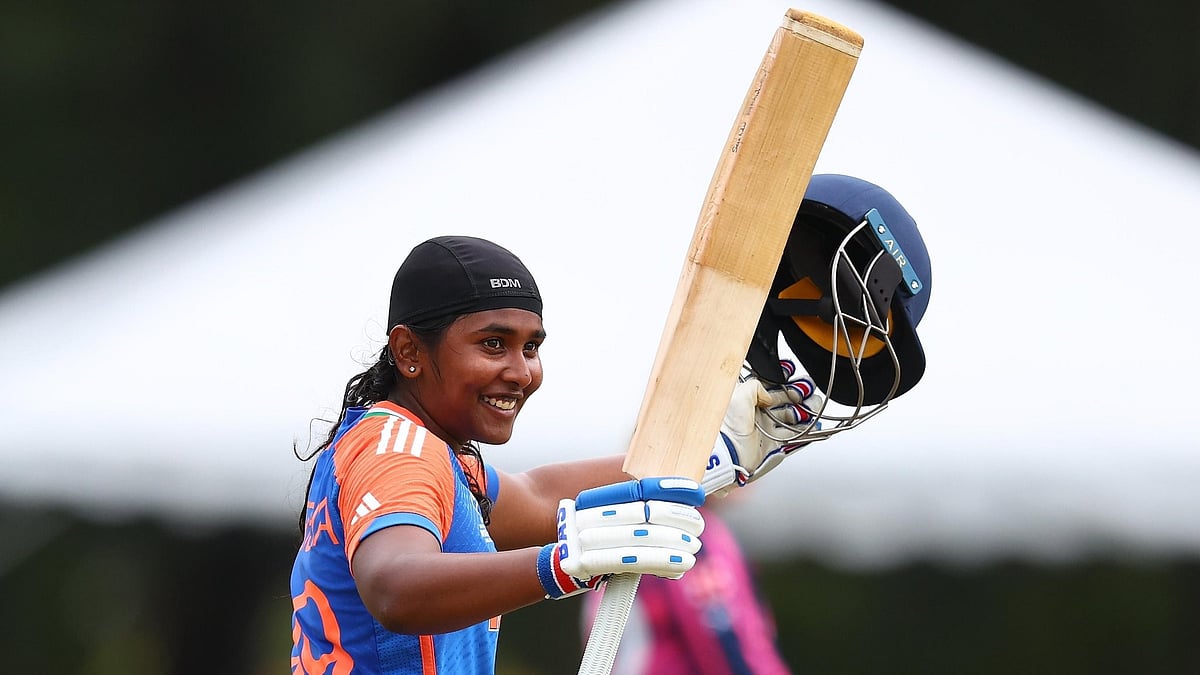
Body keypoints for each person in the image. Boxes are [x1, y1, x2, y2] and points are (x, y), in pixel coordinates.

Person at [288, 235, 803, 675]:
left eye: (531, 347)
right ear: (407, 352)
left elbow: (535, 494)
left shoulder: (436, 453)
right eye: (493, 344)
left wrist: (711, 452)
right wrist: (565, 565)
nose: (521, 372)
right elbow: (395, 586)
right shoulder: (397, 448)